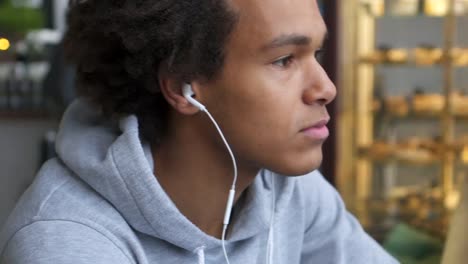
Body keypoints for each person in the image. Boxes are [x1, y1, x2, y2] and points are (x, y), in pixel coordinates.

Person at [0, 0, 399, 263]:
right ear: (184, 88)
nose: (326, 88)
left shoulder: (288, 191)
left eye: (316, 54)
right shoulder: (65, 242)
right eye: (283, 60)